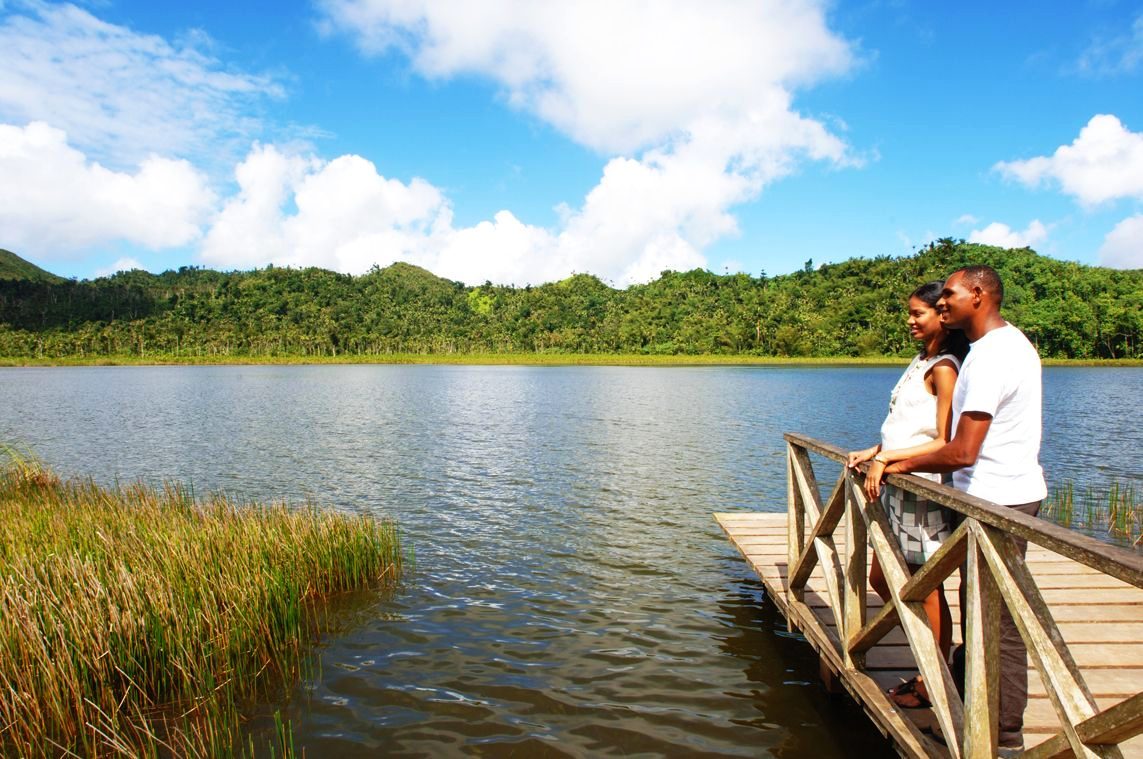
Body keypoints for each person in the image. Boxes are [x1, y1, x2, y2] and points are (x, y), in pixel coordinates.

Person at [881, 264, 1047, 751]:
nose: (944, 301)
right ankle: (967, 706)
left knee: (998, 623)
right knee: (981, 612)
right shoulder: (992, 348)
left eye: (950, 294)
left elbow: (960, 450)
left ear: (978, 295)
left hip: (998, 501)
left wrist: (893, 462)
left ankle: (1000, 736)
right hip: (988, 495)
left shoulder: (993, 356)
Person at [847, 281, 968, 710]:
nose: (910, 320)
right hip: (896, 482)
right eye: (910, 313)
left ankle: (933, 679)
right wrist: (876, 451)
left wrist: (888, 460)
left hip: (922, 491)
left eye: (919, 313)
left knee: (925, 587)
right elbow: (905, 424)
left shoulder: (945, 368)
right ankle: (932, 655)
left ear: (942, 315)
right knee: (884, 578)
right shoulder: (921, 362)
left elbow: (944, 439)